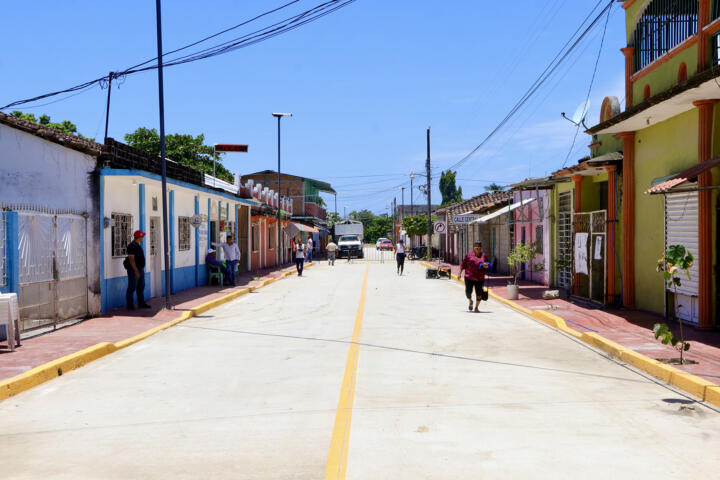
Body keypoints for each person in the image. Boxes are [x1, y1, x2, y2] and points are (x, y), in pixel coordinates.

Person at [458, 242, 491, 312]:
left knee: (479, 293)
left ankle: (476, 307)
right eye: (476, 246)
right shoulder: (469, 255)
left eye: (479, 246)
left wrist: (486, 265)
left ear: (481, 248)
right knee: (468, 292)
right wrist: (459, 273)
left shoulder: (484, 256)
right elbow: (463, 265)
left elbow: (488, 265)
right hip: (469, 277)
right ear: (473, 247)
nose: (477, 248)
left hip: (480, 278)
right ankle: (470, 301)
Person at [124, 230, 151, 310]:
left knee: (141, 287)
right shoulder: (131, 246)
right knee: (132, 287)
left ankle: (141, 303)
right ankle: (130, 305)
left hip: (141, 270)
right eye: (142, 236)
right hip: (134, 271)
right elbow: (131, 260)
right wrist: (136, 271)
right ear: (138, 237)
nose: (143, 238)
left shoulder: (138, 245)